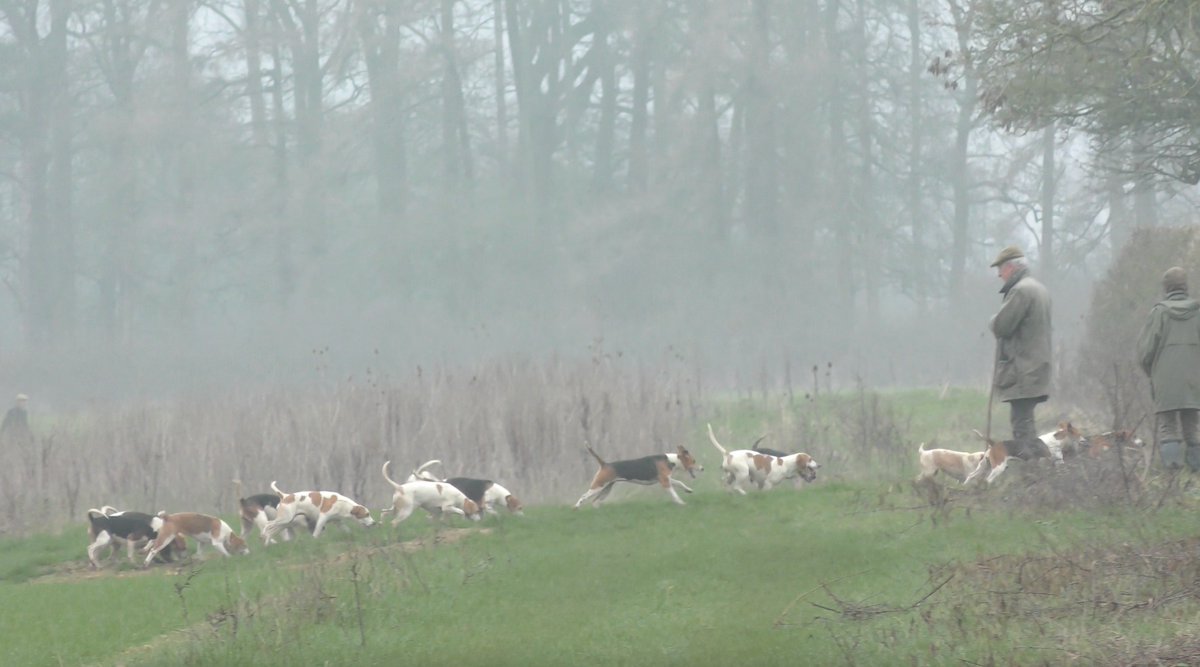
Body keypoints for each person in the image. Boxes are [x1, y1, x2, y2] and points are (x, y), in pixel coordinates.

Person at [989, 245, 1052, 459]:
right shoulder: (1038, 288)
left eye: (1000, 268)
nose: (998, 274)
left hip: (1023, 370)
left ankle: (1030, 476)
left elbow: (1001, 326)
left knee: (1022, 428)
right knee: (1027, 424)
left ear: (1011, 267)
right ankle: (1038, 473)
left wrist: (993, 321)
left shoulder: (1020, 291)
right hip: (1036, 368)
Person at [1136, 266, 1200, 471]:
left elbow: (1145, 352)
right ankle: (1196, 473)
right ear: (1185, 286)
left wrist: (1153, 373)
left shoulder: (1159, 313)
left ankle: (1172, 476)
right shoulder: (1197, 312)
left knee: (1168, 428)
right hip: (1194, 378)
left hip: (1165, 380)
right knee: (1193, 427)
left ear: (1166, 288)